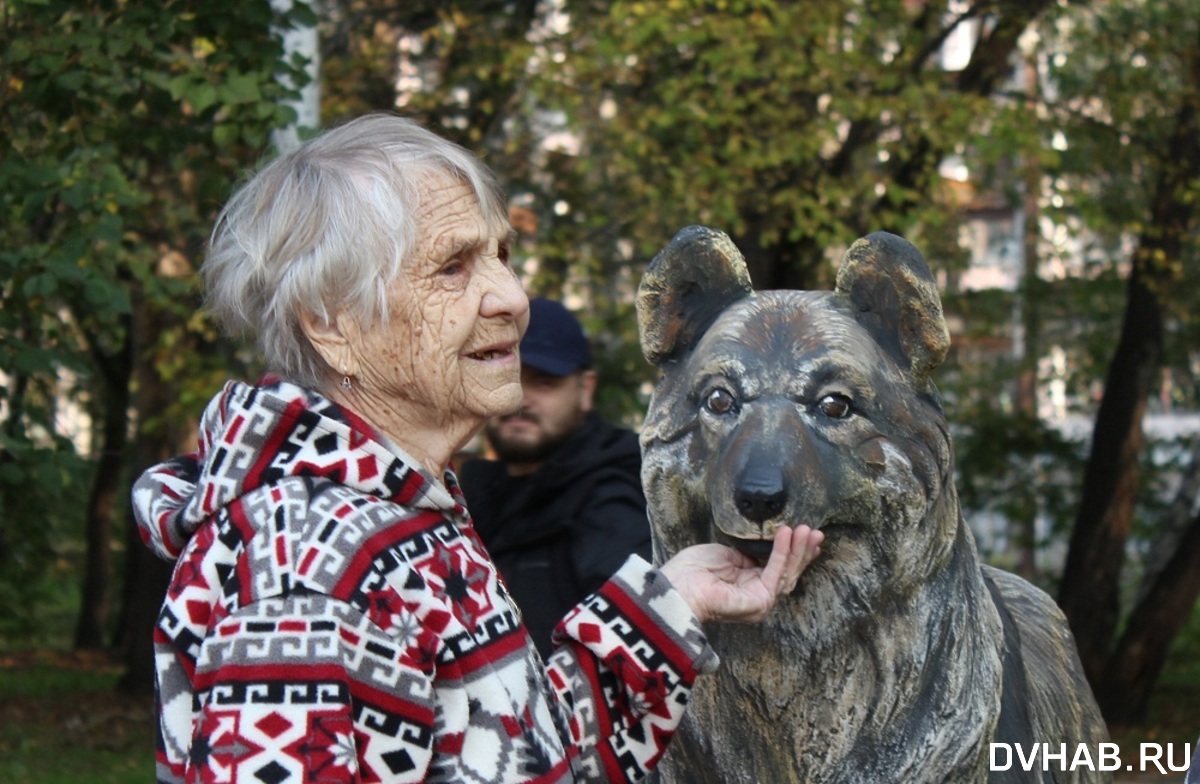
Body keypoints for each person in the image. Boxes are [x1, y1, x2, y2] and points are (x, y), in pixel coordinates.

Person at [132, 112, 823, 784]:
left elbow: (515, 754)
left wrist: (671, 600)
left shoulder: (398, 513)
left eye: (502, 255)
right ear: (331, 322)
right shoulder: (306, 569)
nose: (512, 297)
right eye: (453, 267)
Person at [460, 297, 651, 659]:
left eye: (544, 383)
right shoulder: (473, 498)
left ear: (585, 390)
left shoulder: (610, 500)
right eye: (507, 375)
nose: (520, 399)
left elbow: (635, 659)